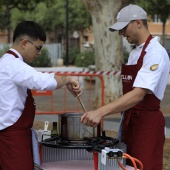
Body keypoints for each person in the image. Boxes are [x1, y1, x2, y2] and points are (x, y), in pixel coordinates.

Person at [80, 4, 170, 170]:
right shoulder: (136, 52)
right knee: (127, 166)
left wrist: (100, 112)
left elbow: (138, 95)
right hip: (130, 122)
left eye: (123, 28)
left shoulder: (155, 53)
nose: (121, 33)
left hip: (146, 125)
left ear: (138, 23)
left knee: (144, 166)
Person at [0, 21, 82, 170]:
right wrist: (68, 79)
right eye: (38, 48)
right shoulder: (14, 65)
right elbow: (43, 82)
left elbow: (42, 77)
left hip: (12, 136)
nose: (39, 53)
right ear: (24, 43)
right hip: (12, 138)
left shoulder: (7, 62)